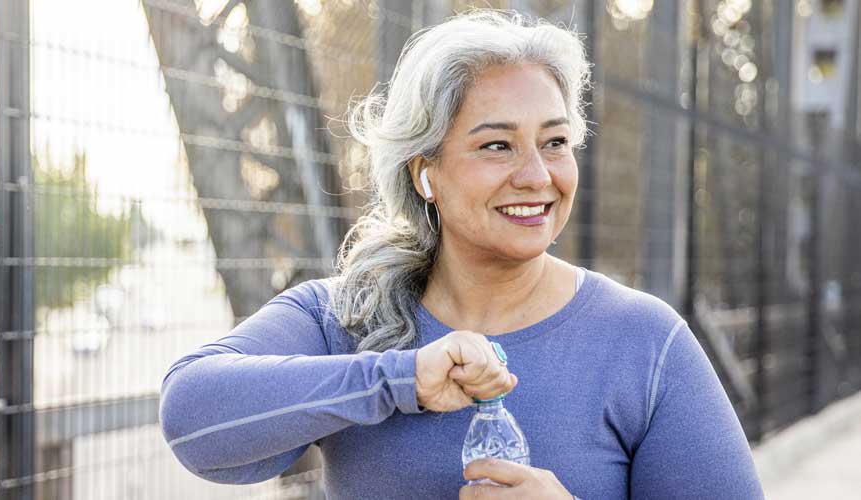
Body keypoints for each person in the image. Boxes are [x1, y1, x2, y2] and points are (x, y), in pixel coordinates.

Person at [159, 10, 764, 499]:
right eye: (498, 145)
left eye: (555, 142)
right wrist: (400, 379)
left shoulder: (645, 341)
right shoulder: (346, 319)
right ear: (425, 174)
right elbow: (192, 417)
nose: (536, 175)